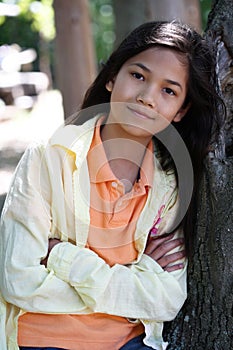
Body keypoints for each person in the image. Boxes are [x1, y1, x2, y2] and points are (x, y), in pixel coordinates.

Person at [0, 21, 223, 350]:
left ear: (181, 110)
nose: (147, 97)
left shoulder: (171, 186)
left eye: (169, 90)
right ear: (111, 78)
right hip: (43, 338)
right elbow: (18, 280)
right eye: (138, 76)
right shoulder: (48, 158)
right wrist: (131, 283)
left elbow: (166, 299)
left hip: (131, 343)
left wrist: (63, 257)